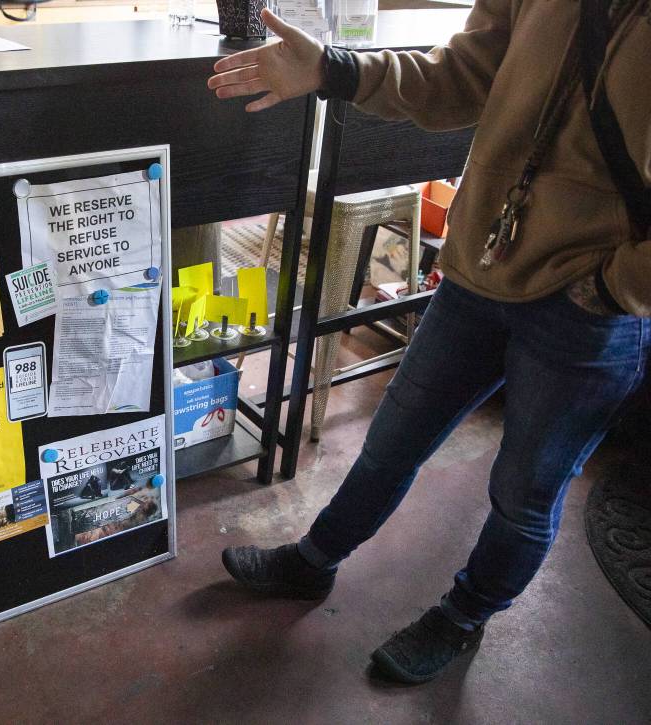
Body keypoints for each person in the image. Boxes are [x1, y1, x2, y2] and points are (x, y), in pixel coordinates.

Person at [207, 1, 649, 684]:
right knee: (393, 438)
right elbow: (462, 76)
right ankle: (314, 559)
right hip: (478, 268)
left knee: (524, 492)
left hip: (588, 308)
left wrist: (616, 287)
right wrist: (334, 69)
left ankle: (465, 612)